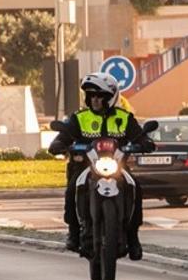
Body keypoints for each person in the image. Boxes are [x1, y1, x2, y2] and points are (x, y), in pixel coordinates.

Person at [49, 72, 155, 260]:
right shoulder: (80, 118)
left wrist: (145, 142)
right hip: (86, 167)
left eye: (100, 96)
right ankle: (73, 233)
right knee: (72, 188)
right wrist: (59, 144)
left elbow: (139, 135)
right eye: (91, 96)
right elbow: (63, 136)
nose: (95, 100)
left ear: (110, 97)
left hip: (117, 166)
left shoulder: (124, 117)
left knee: (136, 188)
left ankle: (133, 237)